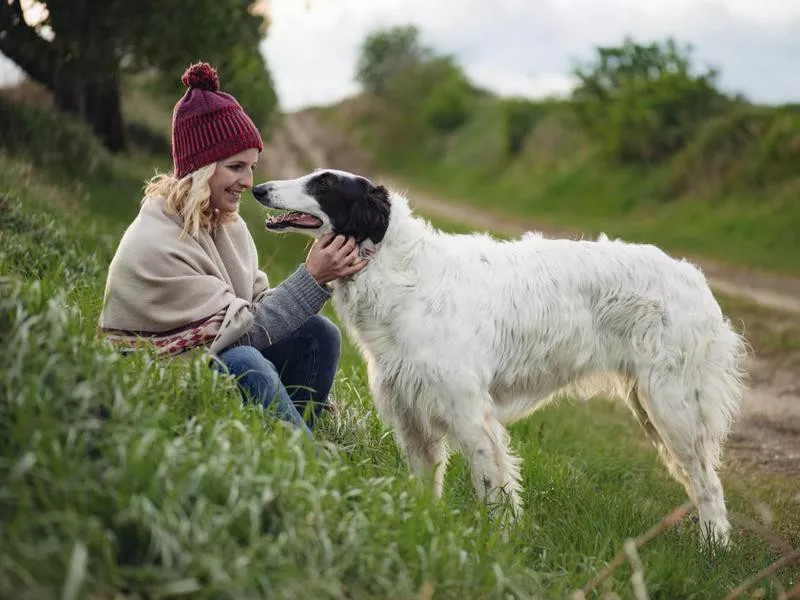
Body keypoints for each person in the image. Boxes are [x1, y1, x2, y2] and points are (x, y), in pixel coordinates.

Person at [98, 61, 368, 438]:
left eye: (252, 166)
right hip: (158, 379)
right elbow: (242, 336)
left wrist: (318, 280)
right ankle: (308, 460)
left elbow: (256, 309)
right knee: (245, 361)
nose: (248, 181)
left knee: (318, 333)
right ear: (203, 167)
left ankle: (285, 439)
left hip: (211, 359)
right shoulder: (157, 243)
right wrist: (312, 278)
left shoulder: (226, 224)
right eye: (236, 167)